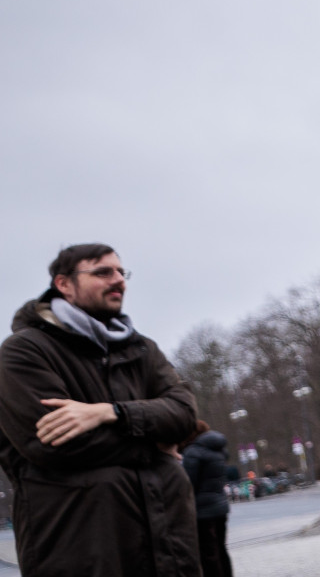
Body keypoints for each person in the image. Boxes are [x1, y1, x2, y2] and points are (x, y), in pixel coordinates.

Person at [0, 244, 199, 577]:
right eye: (103, 272)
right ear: (64, 284)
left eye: (122, 272)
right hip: (82, 549)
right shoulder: (24, 351)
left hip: (168, 550)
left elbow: (184, 415)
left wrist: (111, 413)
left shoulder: (142, 349)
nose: (118, 280)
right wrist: (156, 442)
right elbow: (55, 443)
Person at [181, 419, 233, 577]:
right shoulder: (218, 451)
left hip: (202, 511)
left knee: (208, 554)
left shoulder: (193, 452)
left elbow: (188, 483)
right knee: (221, 549)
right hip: (220, 507)